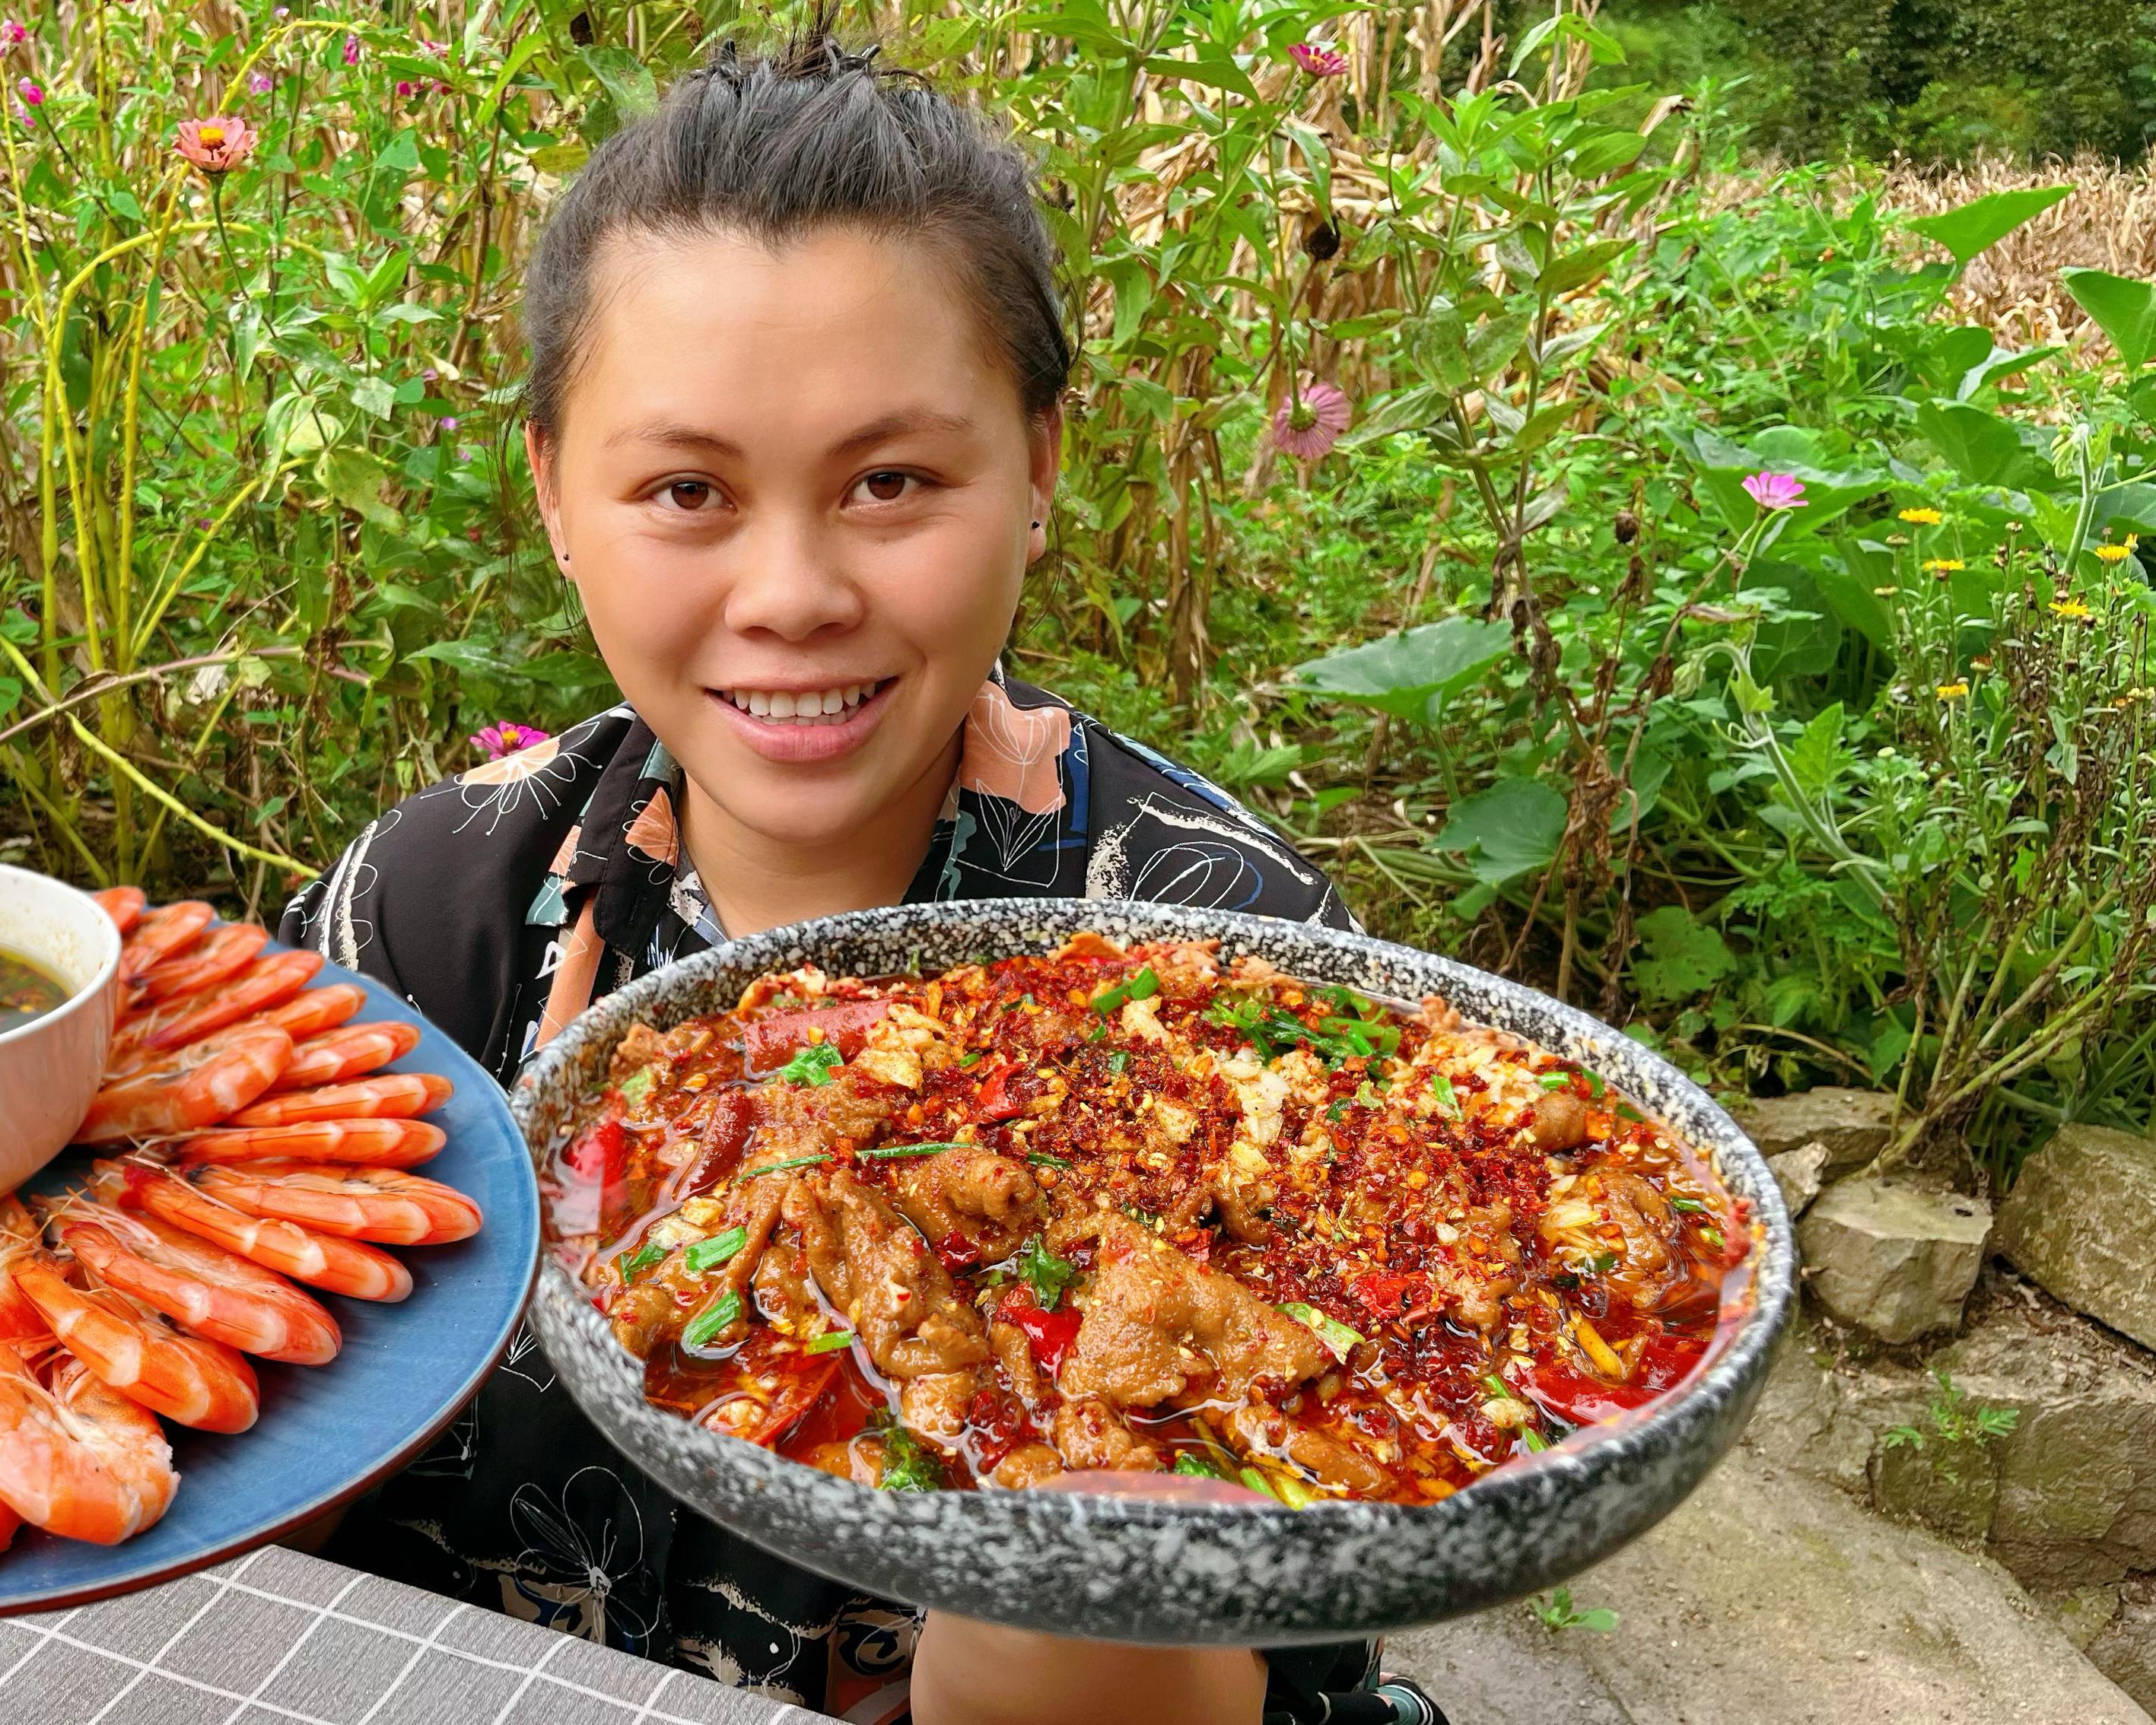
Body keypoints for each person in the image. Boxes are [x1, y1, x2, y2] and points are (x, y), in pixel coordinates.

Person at [279, 30, 1440, 1725]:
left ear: (1038, 468)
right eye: (688, 490)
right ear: (552, 494)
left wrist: (1068, 1580)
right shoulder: (428, 915)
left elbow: (1296, 1624)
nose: (795, 592)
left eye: (890, 482)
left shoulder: (1242, 979)